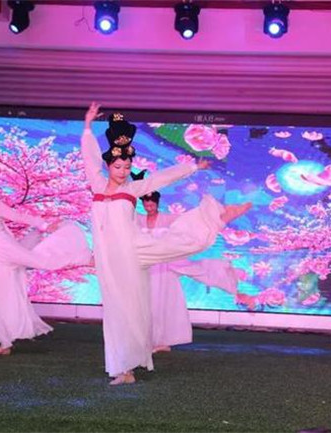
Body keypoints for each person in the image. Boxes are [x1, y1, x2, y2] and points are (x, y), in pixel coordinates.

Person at [81, 102, 251, 385]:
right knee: (118, 311)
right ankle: (124, 369)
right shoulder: (97, 185)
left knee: (174, 243)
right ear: (108, 166)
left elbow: (161, 178)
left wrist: (192, 167)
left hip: (136, 248)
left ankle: (217, 217)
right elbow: (88, 158)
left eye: (127, 167)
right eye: (118, 166)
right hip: (110, 259)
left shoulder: (133, 188)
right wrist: (87, 126)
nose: (122, 171)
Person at [0, 142, 91, 356]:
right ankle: (5, 342)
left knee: (39, 260)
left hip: (5, 249)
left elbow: (18, 216)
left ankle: (82, 257)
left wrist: (44, 225)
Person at [138, 191, 240, 352]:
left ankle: (162, 340)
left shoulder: (169, 219)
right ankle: (145, 340)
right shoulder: (138, 220)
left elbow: (189, 225)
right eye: (146, 205)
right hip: (146, 267)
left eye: (152, 204)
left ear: (157, 204)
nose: (149, 207)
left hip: (165, 268)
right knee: (144, 304)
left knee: (164, 303)